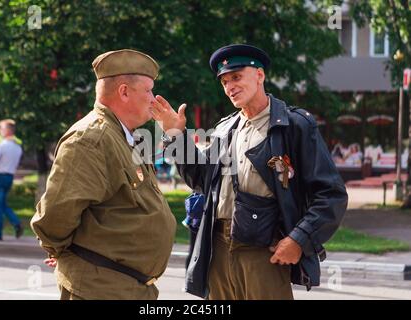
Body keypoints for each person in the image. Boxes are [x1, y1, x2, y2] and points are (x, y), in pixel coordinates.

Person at [151, 44, 348, 299]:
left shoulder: (294, 125)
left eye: (236, 77)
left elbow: (331, 194)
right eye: (224, 81)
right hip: (218, 249)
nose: (229, 86)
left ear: (259, 75)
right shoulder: (224, 128)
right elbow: (201, 180)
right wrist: (175, 136)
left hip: (264, 253)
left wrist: (300, 239)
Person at [30, 49, 177, 300]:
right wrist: (63, 250)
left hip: (124, 287)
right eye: (149, 90)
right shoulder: (92, 138)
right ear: (124, 91)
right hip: (101, 288)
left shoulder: (121, 136)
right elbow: (56, 214)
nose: (154, 100)